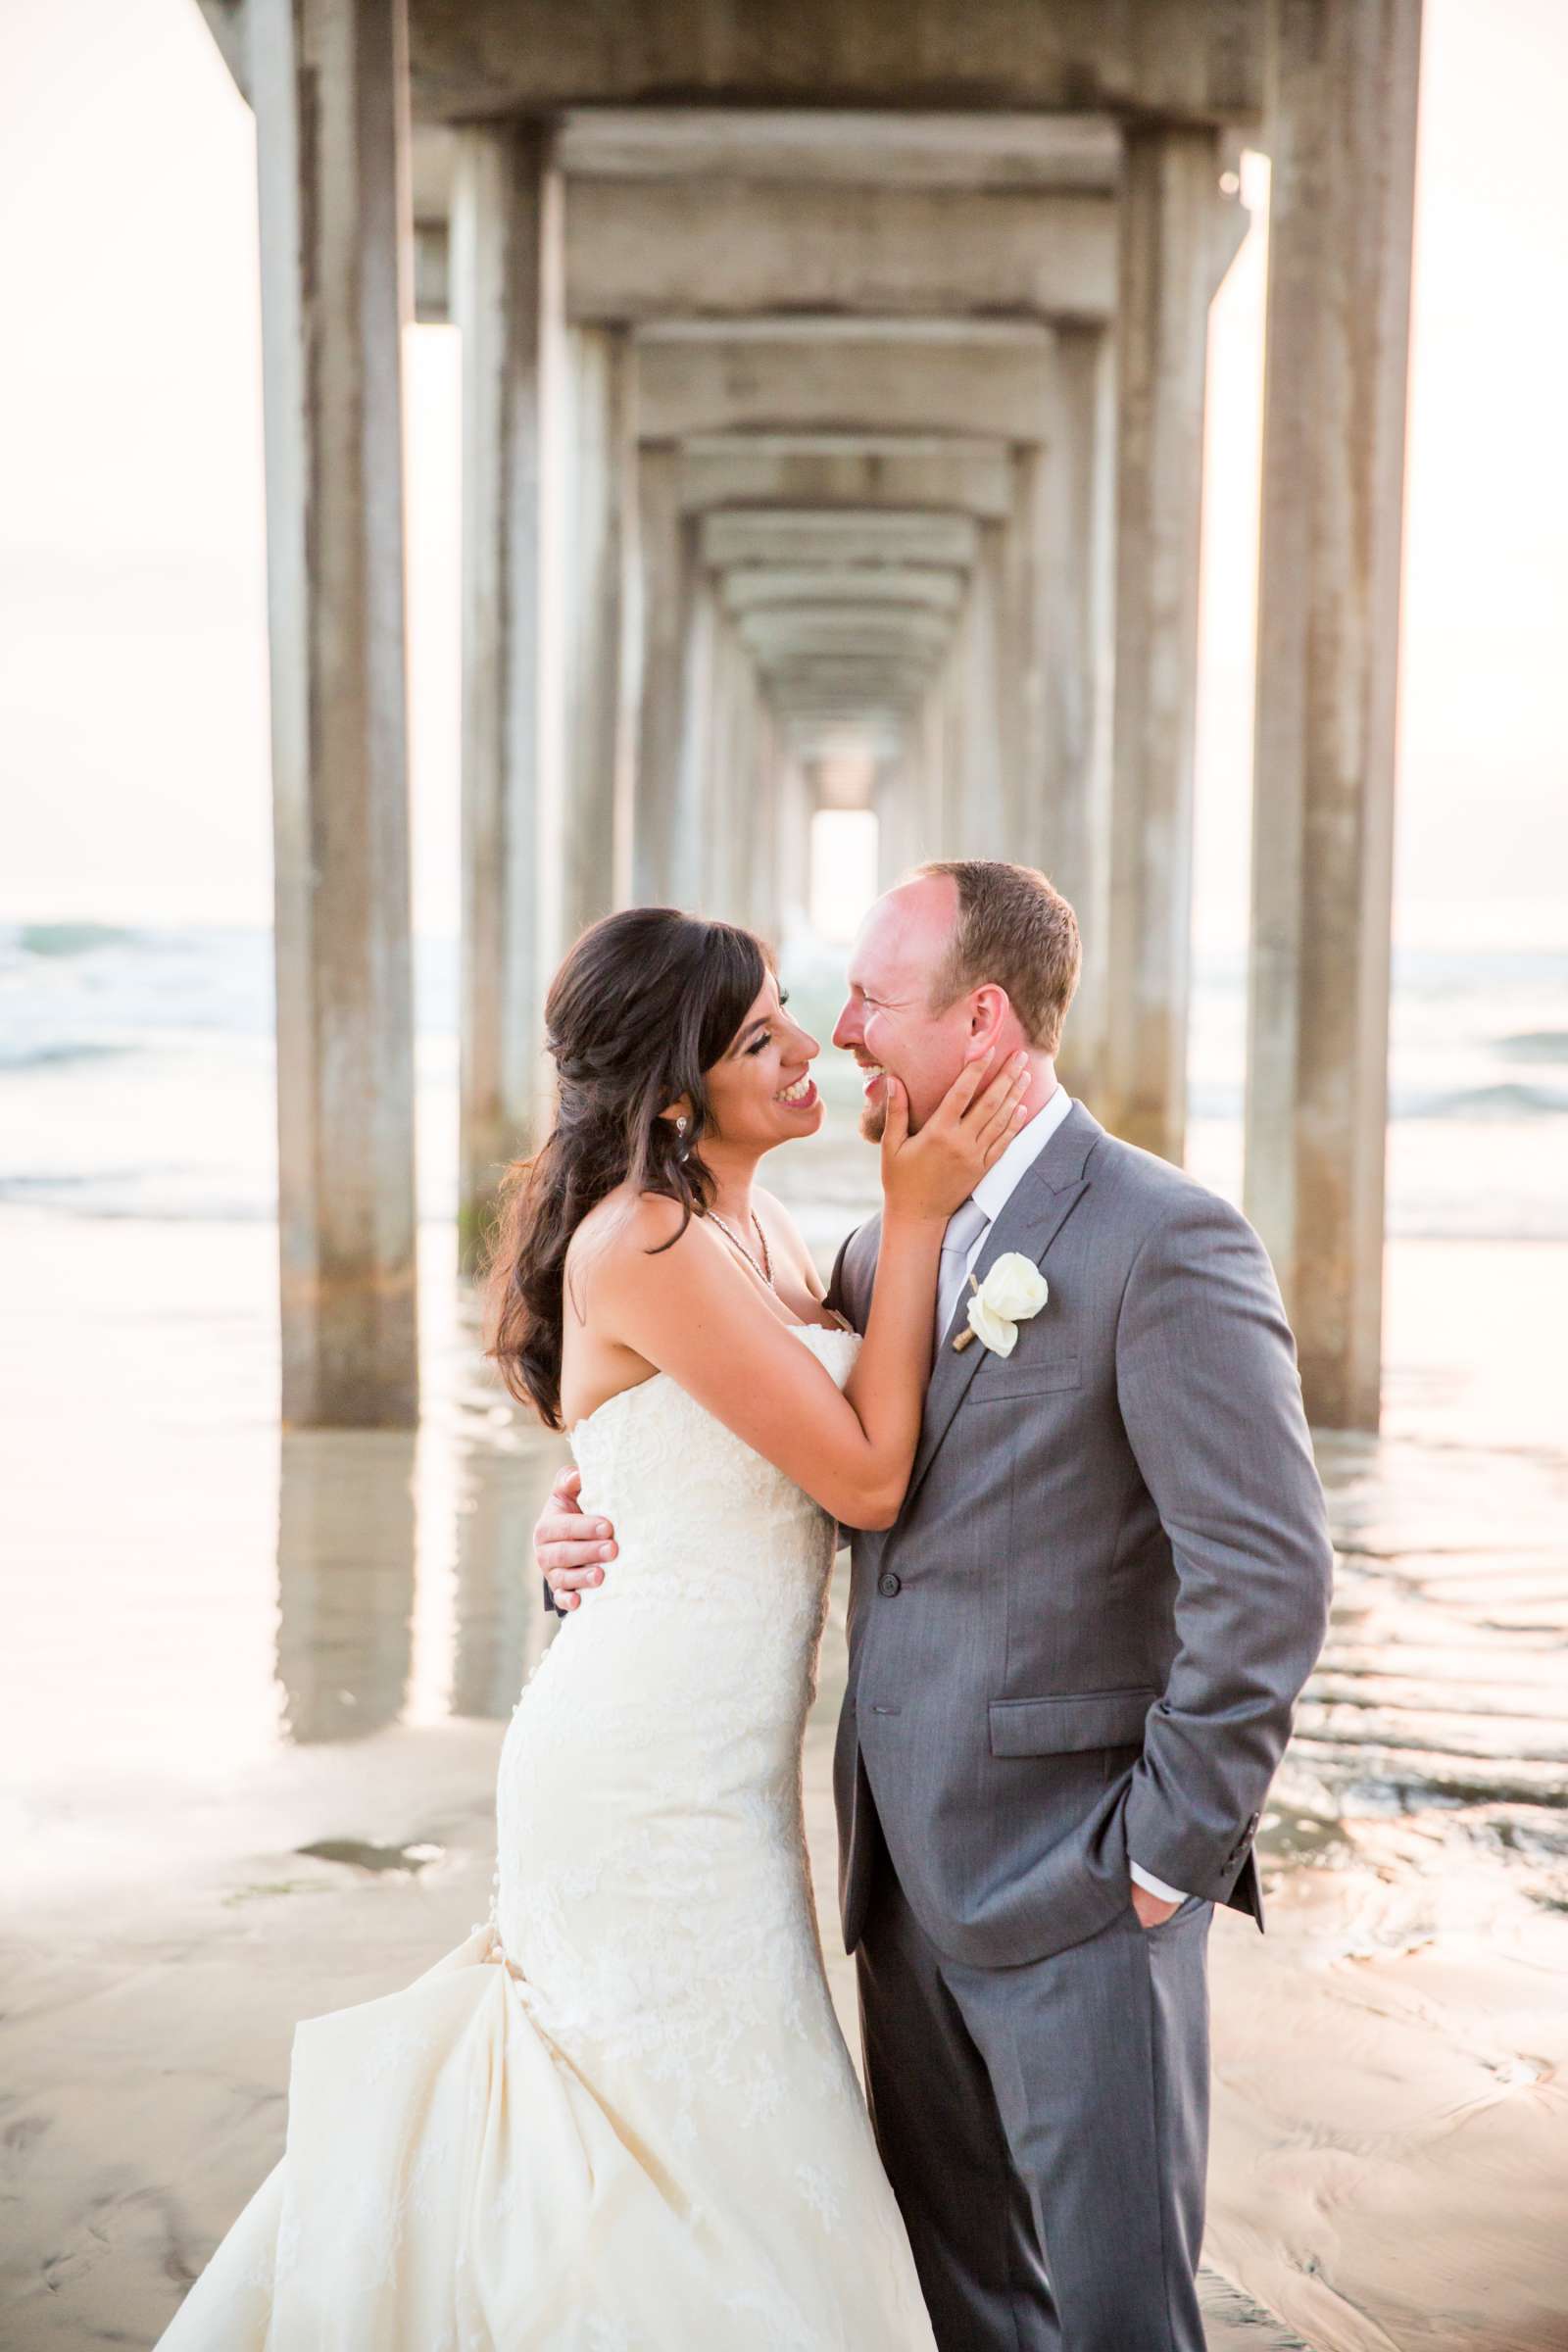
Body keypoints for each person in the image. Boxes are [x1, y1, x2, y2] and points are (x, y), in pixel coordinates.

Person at [156, 901, 1031, 2350]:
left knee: (736, 2133)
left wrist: (575, 1520)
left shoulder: (763, 1222)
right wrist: (927, 1212)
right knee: (680, 2139)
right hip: (637, 1781)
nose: (807, 1045)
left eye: (789, 1009)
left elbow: (684, 1459)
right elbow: (867, 1475)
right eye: (762, 1037)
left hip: (723, 1777)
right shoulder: (648, 1240)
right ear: (679, 1093)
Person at [537, 858, 1336, 2352]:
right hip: (893, 1879)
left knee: (1115, 2321)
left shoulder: (1165, 1240)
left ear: (980, 1023)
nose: (840, 1035)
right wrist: (582, 1521)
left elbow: (1271, 1574)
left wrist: (1168, 1850)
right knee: (961, 2311)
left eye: (870, 1001)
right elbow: (705, 1418)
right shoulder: (859, 1248)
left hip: (1086, 1884)